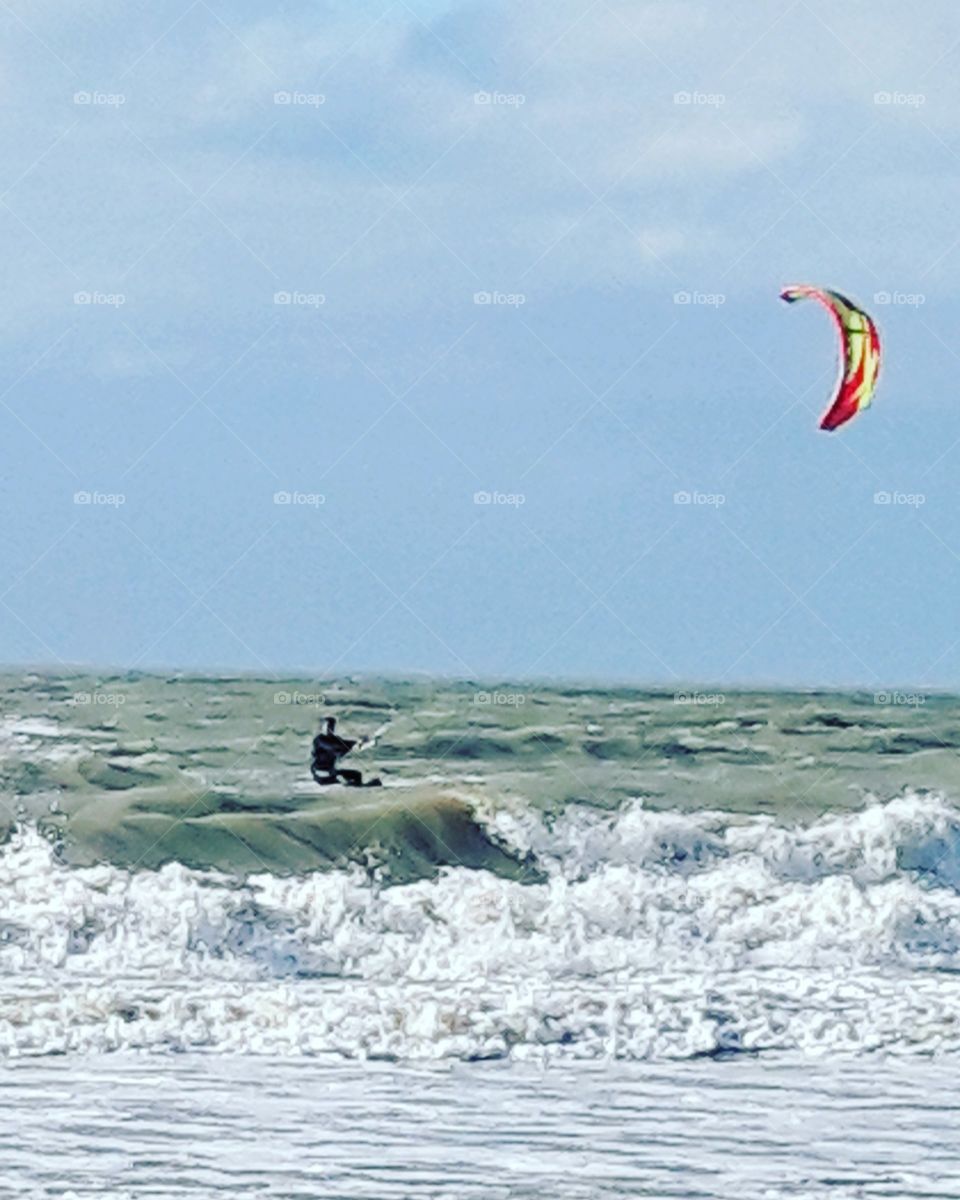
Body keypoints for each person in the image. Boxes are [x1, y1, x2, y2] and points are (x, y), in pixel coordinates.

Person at [311, 716, 379, 787]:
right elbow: (336, 747)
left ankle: (367, 784)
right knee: (355, 775)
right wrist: (355, 743)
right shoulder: (321, 742)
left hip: (323, 774)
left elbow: (336, 747)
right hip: (324, 773)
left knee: (355, 775)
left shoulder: (320, 742)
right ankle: (369, 784)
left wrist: (355, 743)